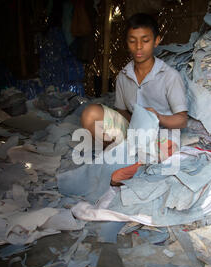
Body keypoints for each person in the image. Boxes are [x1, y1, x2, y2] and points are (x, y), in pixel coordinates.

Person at [80, 12, 188, 185]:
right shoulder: (123, 76)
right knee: (90, 114)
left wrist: (157, 118)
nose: (139, 47)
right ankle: (119, 158)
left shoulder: (170, 76)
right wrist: (136, 126)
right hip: (133, 132)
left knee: (166, 148)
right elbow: (121, 111)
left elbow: (182, 120)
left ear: (156, 41)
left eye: (145, 40)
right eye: (132, 41)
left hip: (160, 134)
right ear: (126, 43)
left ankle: (133, 165)